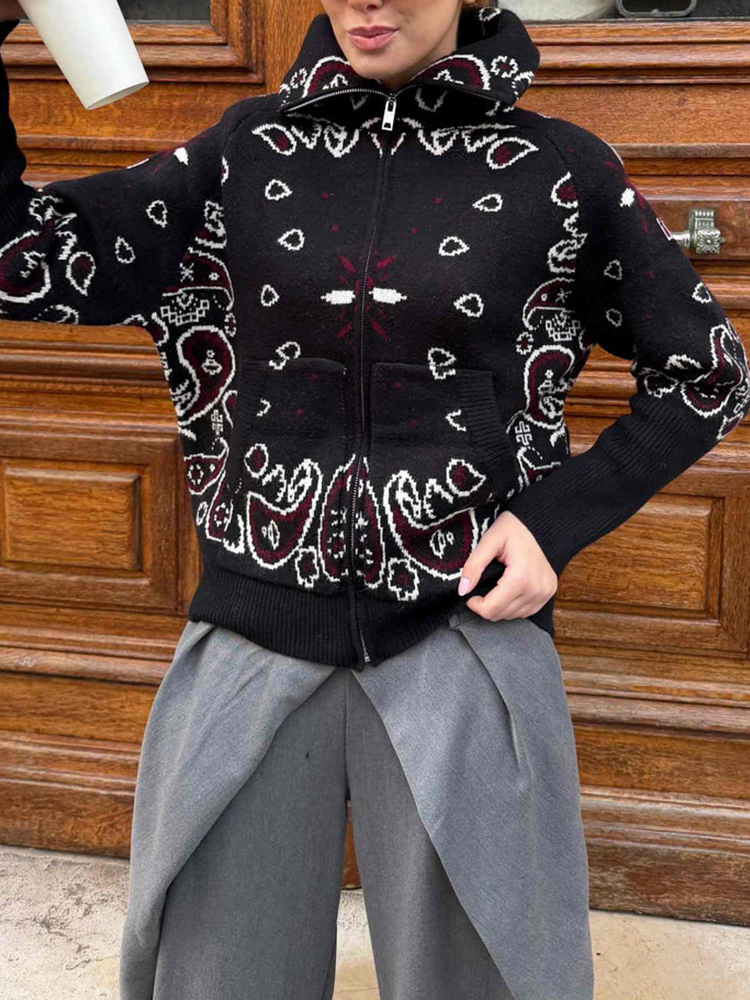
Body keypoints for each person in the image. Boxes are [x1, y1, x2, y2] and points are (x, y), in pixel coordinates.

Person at [1, 2, 747, 999]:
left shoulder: (561, 172)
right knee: (216, 977)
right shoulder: (238, 157)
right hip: (252, 635)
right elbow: (18, 258)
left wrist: (550, 523)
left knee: (485, 978)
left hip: (464, 641)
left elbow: (707, 373)